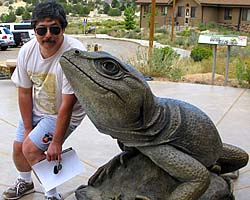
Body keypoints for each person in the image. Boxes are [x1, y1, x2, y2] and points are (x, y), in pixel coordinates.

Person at [2, 1, 86, 200]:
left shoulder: (73, 54)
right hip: (39, 106)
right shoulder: (27, 51)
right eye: (42, 30)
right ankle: (26, 181)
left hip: (64, 112)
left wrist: (56, 142)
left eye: (54, 29)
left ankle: (51, 194)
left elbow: (68, 103)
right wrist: (29, 128)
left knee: (31, 148)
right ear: (34, 31)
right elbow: (24, 92)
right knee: (18, 148)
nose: (48, 35)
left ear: (63, 29)